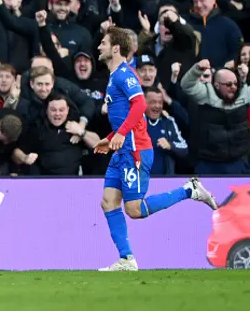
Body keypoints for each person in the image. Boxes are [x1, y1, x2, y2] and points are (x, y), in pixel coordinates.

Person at [93, 27, 218, 272]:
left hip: (135, 151)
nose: (99, 46)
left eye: (104, 43)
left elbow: (140, 104)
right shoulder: (114, 75)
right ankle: (127, 259)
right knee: (108, 202)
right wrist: (111, 137)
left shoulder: (123, 75)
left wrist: (119, 134)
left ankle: (189, 190)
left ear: (116, 48)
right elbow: (127, 117)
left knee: (135, 210)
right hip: (122, 149)